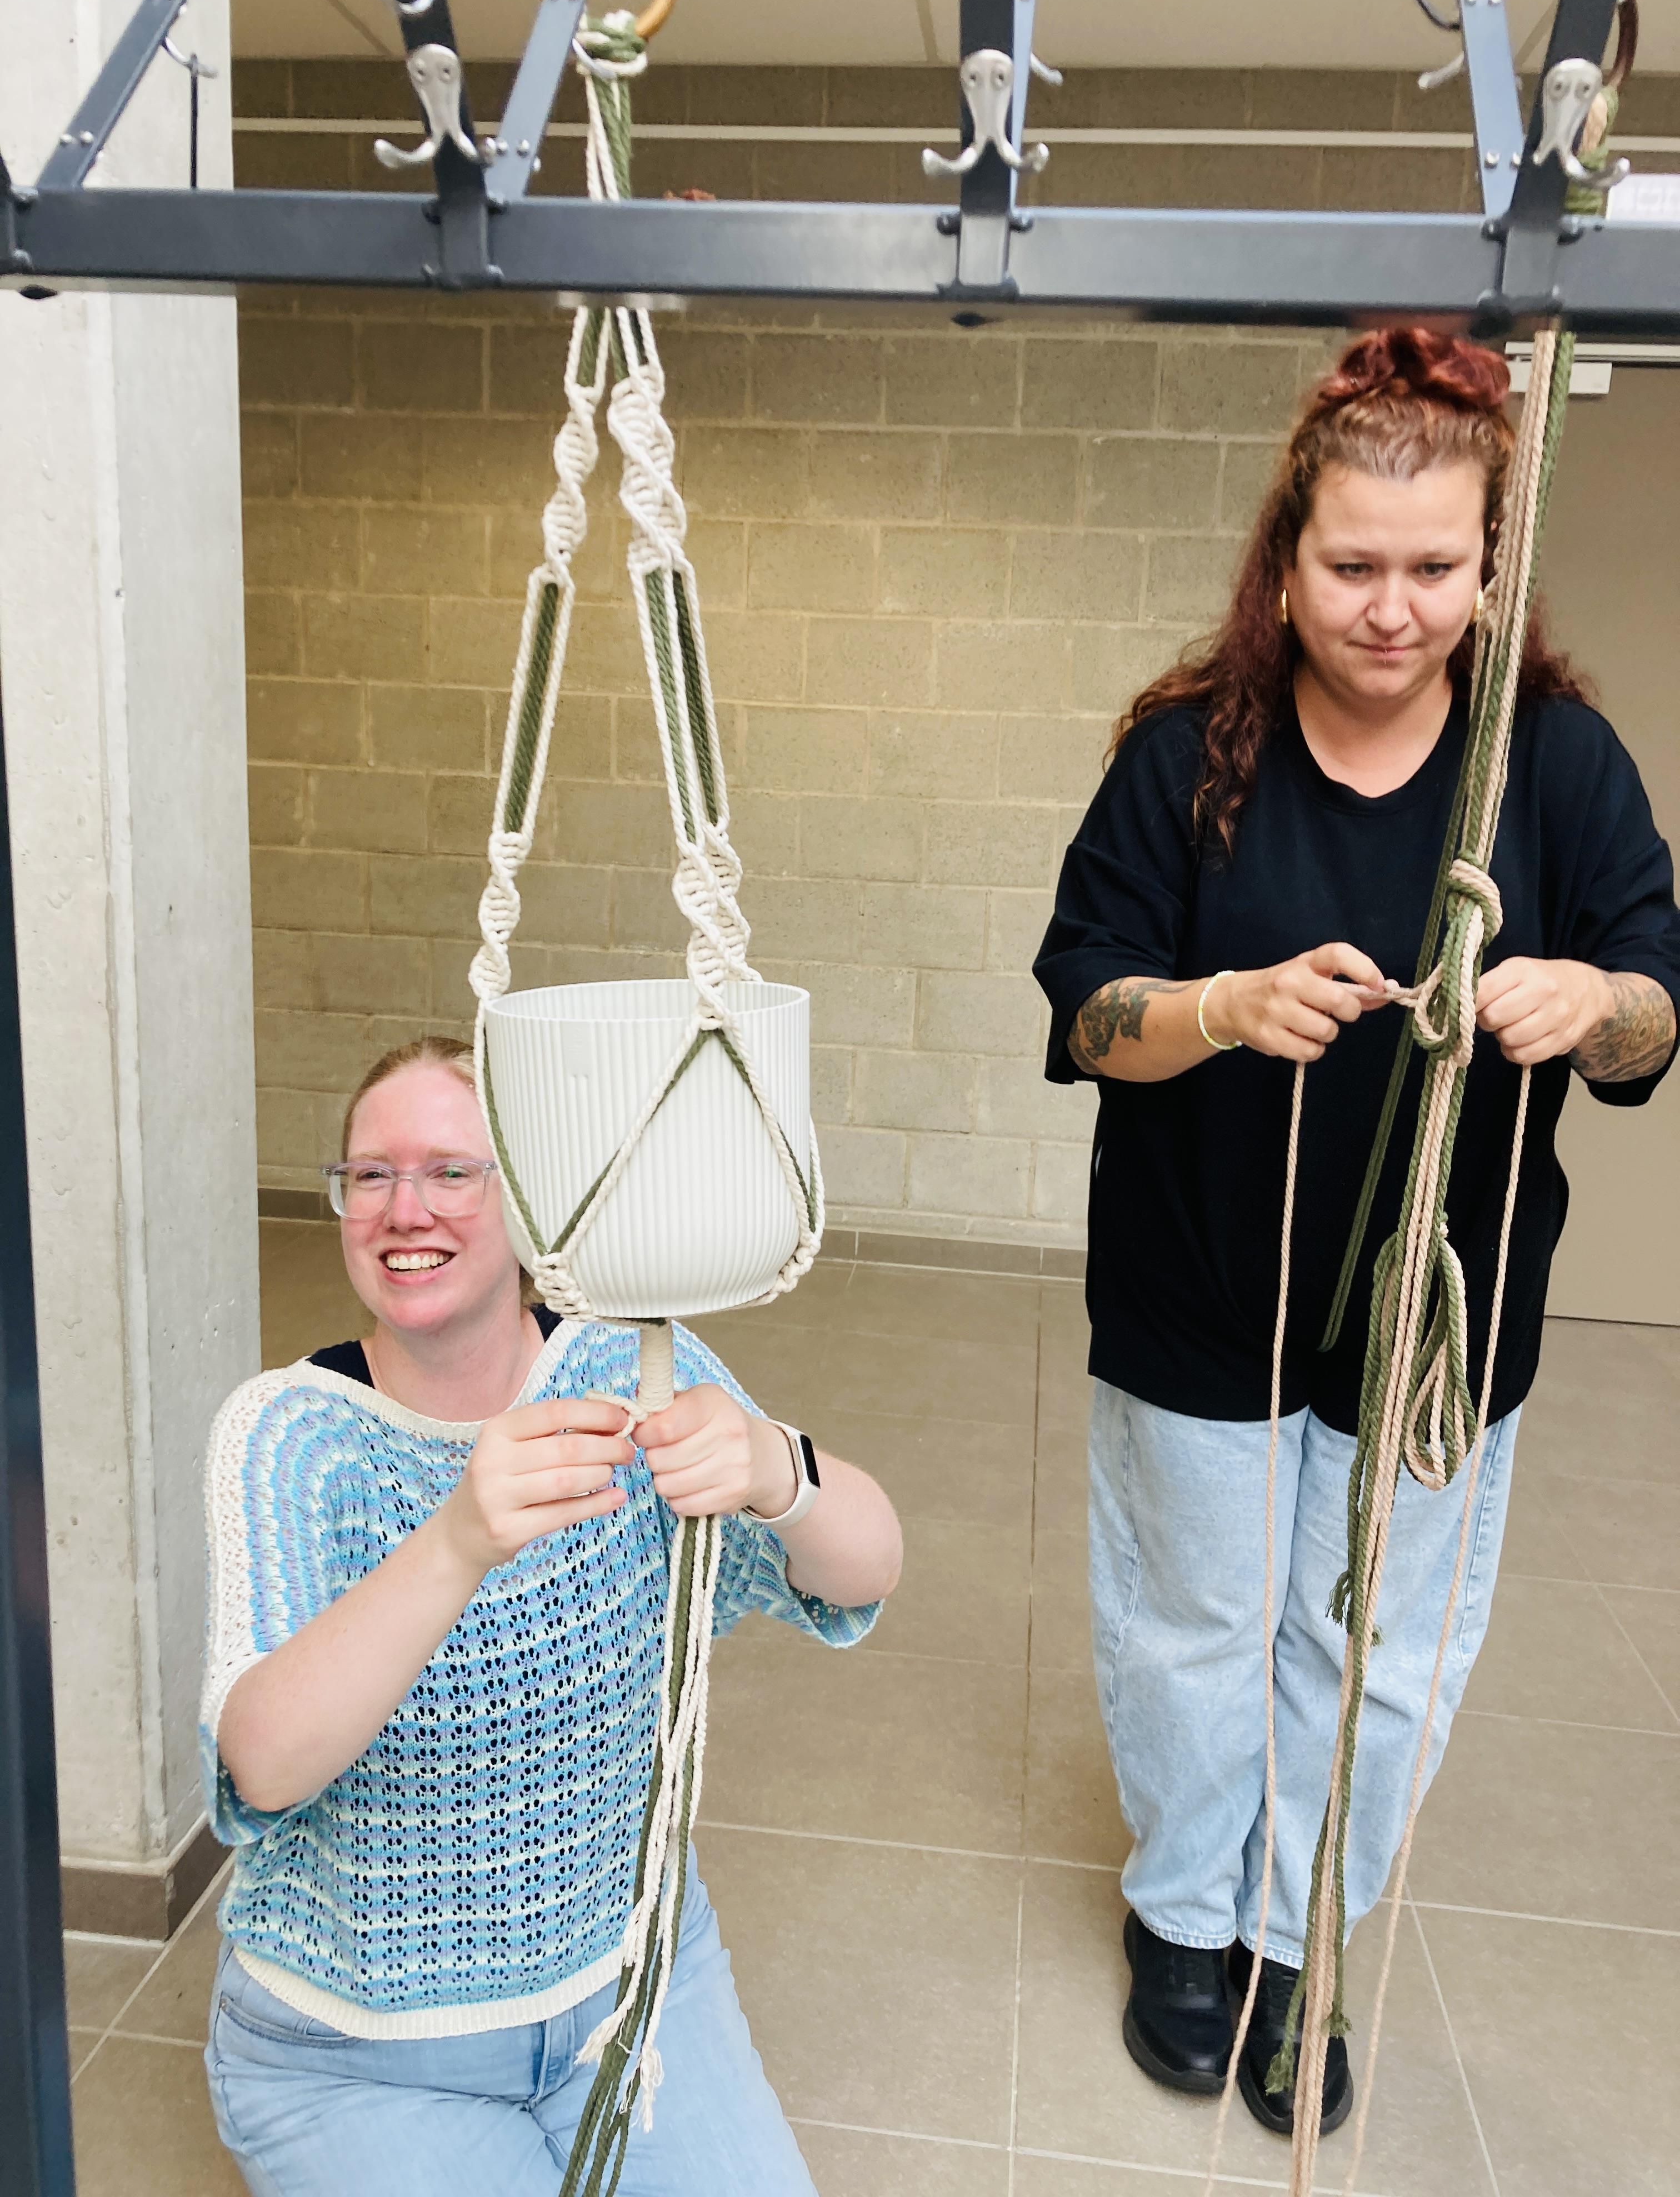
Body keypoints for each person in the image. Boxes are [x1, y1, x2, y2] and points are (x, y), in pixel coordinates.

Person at [1033, 329, 1680, 2139]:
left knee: (1375, 1651)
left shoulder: (1546, 769)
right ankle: (1183, 1922)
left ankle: (1295, 1930)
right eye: (1350, 566)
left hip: (1430, 1331)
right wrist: (1219, 1008)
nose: (1390, 609)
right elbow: (1083, 1008)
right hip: (1194, 1296)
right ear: (1284, 554)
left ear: (1490, 566)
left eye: (1432, 568)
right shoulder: (1188, 760)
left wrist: (1585, 1004)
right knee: (1195, 1625)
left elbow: (1657, 1006)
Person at [199, 1035, 902, 2196]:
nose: (402, 1206)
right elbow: (265, 1764)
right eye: (368, 1175)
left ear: (529, 1205)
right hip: (358, 2054)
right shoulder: (289, 1433)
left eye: (450, 1172)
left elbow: (863, 1570)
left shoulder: (630, 1376)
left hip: (630, 1989)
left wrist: (781, 1467)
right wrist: (459, 1539)